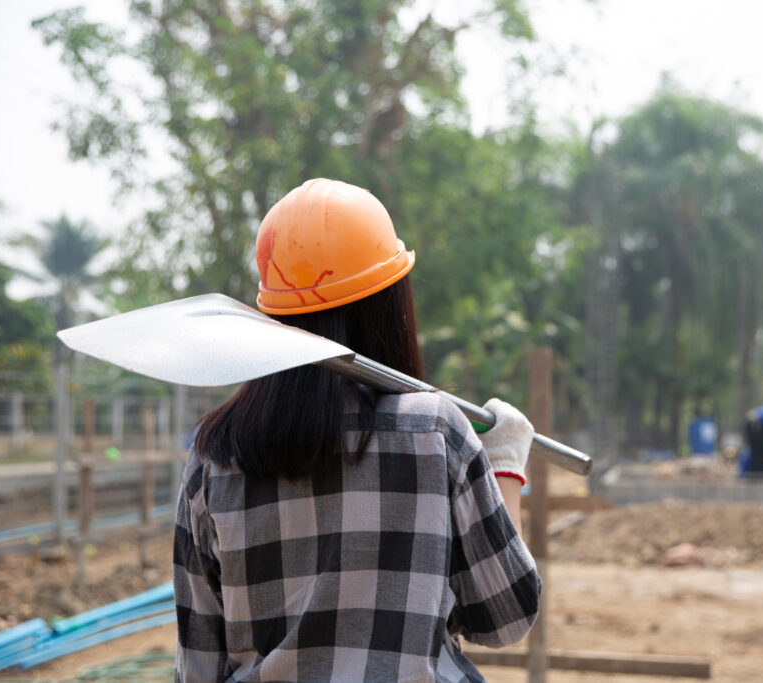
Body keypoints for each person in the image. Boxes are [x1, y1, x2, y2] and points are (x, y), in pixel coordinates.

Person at [173, 178, 541, 682]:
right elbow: (505, 617)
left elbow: (197, 665)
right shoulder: (436, 433)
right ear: (388, 303)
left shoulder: (215, 455)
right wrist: (504, 467)